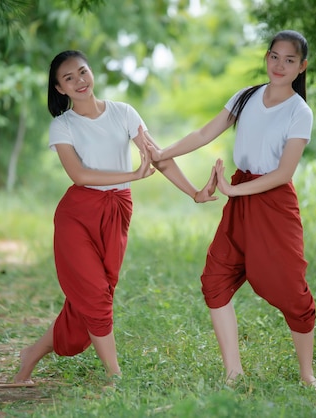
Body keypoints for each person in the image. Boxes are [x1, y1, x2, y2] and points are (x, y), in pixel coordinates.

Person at [13, 50, 217, 386]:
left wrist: (195, 193)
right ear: (59, 89)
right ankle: (115, 376)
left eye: (82, 72)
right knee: (94, 296)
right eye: (69, 78)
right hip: (77, 216)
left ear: (91, 72)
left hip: (116, 213)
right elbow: (79, 175)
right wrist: (133, 175)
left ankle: (31, 354)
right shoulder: (62, 126)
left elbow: (158, 157)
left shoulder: (123, 113)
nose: (79, 81)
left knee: (90, 301)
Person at [146, 30, 316, 391]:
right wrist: (162, 153)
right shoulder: (246, 97)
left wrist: (231, 189)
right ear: (266, 57)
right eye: (274, 56)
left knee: (292, 290)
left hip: (273, 202)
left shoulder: (299, 112)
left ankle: (307, 375)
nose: (280, 65)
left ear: (302, 66)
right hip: (241, 196)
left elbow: (283, 174)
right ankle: (233, 373)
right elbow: (202, 133)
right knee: (215, 279)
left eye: (290, 60)